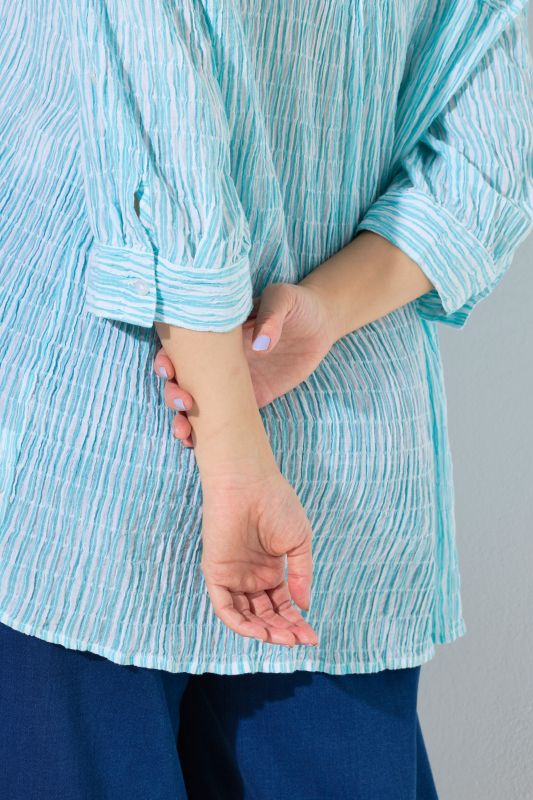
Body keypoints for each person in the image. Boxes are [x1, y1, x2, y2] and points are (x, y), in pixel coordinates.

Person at [0, 1, 531, 797]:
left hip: (86, 455)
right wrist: (323, 310)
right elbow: (488, 145)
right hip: (340, 485)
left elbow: (155, 96)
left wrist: (235, 459)